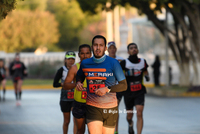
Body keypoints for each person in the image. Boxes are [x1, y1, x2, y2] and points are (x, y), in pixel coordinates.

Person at [76, 35, 127, 134]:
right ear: (92, 47)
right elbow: (80, 76)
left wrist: (107, 89)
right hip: (92, 106)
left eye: (101, 45)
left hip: (110, 108)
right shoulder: (85, 63)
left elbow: (124, 85)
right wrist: (78, 82)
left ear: (105, 48)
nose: (98, 48)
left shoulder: (114, 63)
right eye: (95, 45)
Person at [120, 43, 150, 134]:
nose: (134, 49)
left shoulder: (143, 62)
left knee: (139, 113)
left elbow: (145, 71)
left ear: (137, 50)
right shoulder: (124, 63)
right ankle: (130, 124)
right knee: (129, 115)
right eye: (131, 48)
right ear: (128, 51)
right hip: (128, 93)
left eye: (135, 48)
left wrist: (146, 76)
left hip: (139, 91)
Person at [63, 44, 92, 134]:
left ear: (91, 54)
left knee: (93, 131)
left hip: (93, 104)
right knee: (80, 130)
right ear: (79, 55)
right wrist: (76, 84)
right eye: (82, 53)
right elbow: (65, 85)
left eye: (87, 53)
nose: (85, 56)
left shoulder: (96, 67)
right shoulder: (74, 68)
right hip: (79, 104)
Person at [53, 51, 77, 134]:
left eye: (72, 59)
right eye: (69, 59)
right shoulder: (61, 70)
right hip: (65, 99)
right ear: (65, 60)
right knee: (67, 121)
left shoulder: (77, 69)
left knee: (76, 121)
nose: (71, 61)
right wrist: (63, 84)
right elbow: (54, 84)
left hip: (75, 98)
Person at [107, 41, 124, 134]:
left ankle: (115, 130)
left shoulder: (121, 60)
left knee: (115, 108)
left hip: (117, 88)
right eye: (110, 48)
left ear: (116, 49)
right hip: (106, 88)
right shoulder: (104, 60)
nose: (112, 50)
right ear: (108, 49)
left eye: (114, 48)